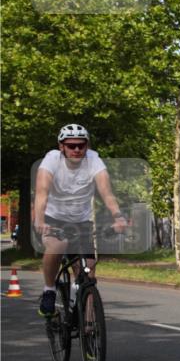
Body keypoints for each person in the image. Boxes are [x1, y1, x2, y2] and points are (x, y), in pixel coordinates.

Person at [34, 124, 128, 316]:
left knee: (88, 272)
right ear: (61, 146)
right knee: (57, 246)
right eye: (71, 145)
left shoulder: (94, 160)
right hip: (54, 218)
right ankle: (49, 289)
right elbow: (42, 192)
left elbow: (107, 193)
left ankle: (89, 323)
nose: (76, 149)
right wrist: (40, 220)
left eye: (81, 145)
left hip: (81, 221)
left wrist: (118, 216)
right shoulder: (52, 159)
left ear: (87, 145)